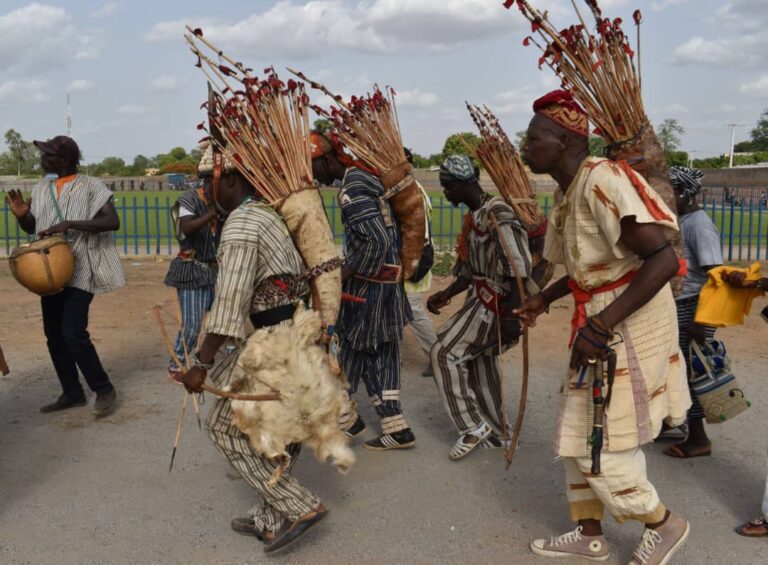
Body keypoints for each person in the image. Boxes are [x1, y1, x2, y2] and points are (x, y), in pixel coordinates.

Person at [515, 91, 691, 564]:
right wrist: (541, 299)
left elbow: (664, 258)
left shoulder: (601, 180)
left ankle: (663, 523)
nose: (524, 147)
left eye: (533, 138)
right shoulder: (568, 191)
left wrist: (604, 323)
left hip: (627, 318)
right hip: (599, 316)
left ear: (564, 140)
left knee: (605, 436)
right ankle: (589, 534)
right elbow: (584, 270)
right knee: (577, 426)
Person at [182, 149, 327, 553]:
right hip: (291, 335)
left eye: (204, 180)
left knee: (224, 429)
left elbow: (229, 303)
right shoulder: (265, 213)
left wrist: (201, 364)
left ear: (228, 179)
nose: (201, 191)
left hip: (276, 341)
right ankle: (268, 518)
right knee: (280, 430)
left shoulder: (243, 223)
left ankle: (301, 505)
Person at [310, 132, 415, 450]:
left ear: (327, 159)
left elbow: (377, 241)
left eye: (312, 167)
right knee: (374, 352)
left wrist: (343, 274)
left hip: (371, 290)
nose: (312, 176)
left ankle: (346, 419)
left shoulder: (353, 187)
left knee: (342, 348)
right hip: (384, 287)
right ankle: (391, 427)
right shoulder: (361, 179)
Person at [5, 135, 123, 416]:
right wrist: (23, 215)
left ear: (66, 159)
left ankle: (103, 388)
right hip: (50, 273)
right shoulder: (42, 188)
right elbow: (34, 228)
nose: (42, 159)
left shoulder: (91, 186)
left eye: (48, 155)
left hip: (80, 270)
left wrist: (70, 224)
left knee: (73, 333)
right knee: (54, 336)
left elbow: (112, 221)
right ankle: (72, 392)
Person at [426, 154, 532, 460]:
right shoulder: (477, 216)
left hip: (498, 301)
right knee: (480, 361)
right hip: (482, 296)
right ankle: (500, 432)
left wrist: (512, 316)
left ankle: (472, 426)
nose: (445, 192)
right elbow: (473, 270)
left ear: (462, 184)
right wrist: (447, 294)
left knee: (444, 354)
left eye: (447, 187)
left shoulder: (497, 212)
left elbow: (520, 268)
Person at [661, 166, 722, 458]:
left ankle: (698, 439)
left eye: (668, 192)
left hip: (694, 309)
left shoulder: (698, 224)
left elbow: (717, 276)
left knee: (691, 374)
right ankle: (673, 422)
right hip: (680, 307)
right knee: (673, 369)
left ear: (684, 193)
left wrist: (703, 320)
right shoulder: (681, 221)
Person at [164, 150, 221, 380]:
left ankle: (221, 352)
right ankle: (177, 362)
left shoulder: (225, 202)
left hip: (216, 270)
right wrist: (213, 214)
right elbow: (183, 229)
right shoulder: (184, 201)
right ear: (207, 182)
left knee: (223, 316)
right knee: (192, 325)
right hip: (192, 269)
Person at [402, 147, 438, 377]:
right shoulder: (409, 189)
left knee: (413, 310)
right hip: (411, 259)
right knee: (398, 309)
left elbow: (417, 234)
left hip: (413, 261)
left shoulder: (411, 192)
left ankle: (438, 357)